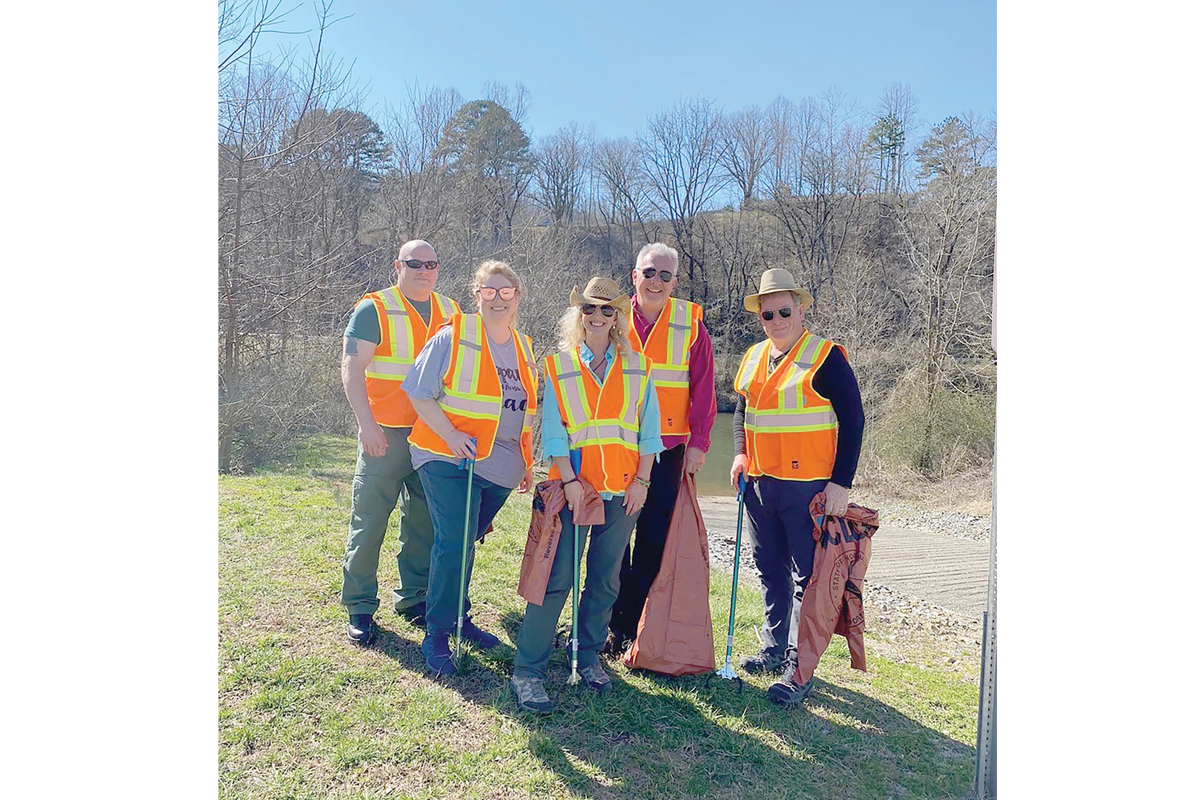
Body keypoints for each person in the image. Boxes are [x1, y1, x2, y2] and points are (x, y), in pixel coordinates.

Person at [509, 277, 663, 714]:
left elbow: (649, 432)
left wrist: (643, 482)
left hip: (623, 490)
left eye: (606, 310)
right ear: (578, 315)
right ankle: (528, 671)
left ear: (617, 318)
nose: (597, 317)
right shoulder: (557, 366)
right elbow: (553, 434)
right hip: (575, 490)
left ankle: (588, 655)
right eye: (589, 310)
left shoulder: (639, 366)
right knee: (554, 580)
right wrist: (571, 482)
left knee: (604, 578)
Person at [728, 268, 865, 703]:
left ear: (802, 309)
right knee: (770, 569)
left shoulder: (826, 357)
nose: (776, 319)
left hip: (808, 490)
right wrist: (739, 453)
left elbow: (854, 420)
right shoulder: (752, 357)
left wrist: (841, 483)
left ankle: (799, 667)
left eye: (785, 310)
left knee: (810, 578)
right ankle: (772, 648)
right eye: (768, 314)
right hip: (761, 485)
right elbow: (741, 411)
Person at [403, 260, 539, 676]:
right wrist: (449, 435)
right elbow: (418, 392)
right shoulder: (453, 336)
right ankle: (438, 633)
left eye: (506, 292)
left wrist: (527, 463)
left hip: (501, 467)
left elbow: (526, 411)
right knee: (456, 539)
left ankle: (459, 615)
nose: (497, 299)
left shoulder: (525, 347)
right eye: (489, 291)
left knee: (466, 538)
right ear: (476, 294)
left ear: (517, 297)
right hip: (448, 457)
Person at [340, 239, 461, 645]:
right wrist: (365, 425)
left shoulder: (451, 311)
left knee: (424, 523)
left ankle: (414, 599)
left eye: (431, 263)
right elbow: (352, 369)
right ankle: (359, 605)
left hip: (431, 437)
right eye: (415, 263)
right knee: (370, 521)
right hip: (385, 435)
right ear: (398, 266)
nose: (424, 270)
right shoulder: (374, 308)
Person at [605, 243, 716, 656]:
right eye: (649, 273)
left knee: (652, 541)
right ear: (634, 276)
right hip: (617, 446)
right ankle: (606, 618)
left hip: (669, 450)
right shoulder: (610, 317)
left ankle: (630, 627)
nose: (656, 281)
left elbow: (703, 388)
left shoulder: (690, 323)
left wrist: (701, 443)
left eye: (665, 276)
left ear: (675, 282)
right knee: (612, 540)